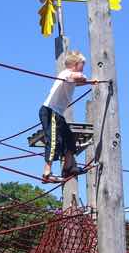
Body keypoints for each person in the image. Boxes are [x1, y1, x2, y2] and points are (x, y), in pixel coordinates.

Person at [39, 50, 92, 183]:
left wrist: (91, 82)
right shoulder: (66, 73)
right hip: (50, 111)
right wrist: (83, 77)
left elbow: (77, 82)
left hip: (58, 114)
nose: (83, 67)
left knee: (70, 140)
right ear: (75, 64)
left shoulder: (71, 76)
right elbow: (75, 77)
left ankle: (68, 167)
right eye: (82, 64)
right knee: (53, 141)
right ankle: (47, 172)